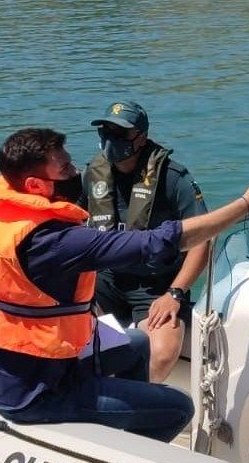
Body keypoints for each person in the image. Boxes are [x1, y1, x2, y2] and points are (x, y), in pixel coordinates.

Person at [0, 127, 249, 442]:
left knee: (137, 345)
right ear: (35, 184)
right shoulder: (55, 242)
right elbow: (157, 242)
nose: (76, 171)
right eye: (66, 168)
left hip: (27, 360)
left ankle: (121, 422)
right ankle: (129, 459)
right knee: (178, 407)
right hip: (38, 391)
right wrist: (245, 205)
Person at [84, 101, 211, 384]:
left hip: (156, 285)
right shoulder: (93, 174)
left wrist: (175, 294)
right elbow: (70, 225)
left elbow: (203, 240)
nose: (111, 139)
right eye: (106, 131)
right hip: (107, 277)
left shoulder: (172, 177)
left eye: (121, 133)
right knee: (58, 314)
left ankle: (132, 402)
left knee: (163, 351)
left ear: (141, 136)